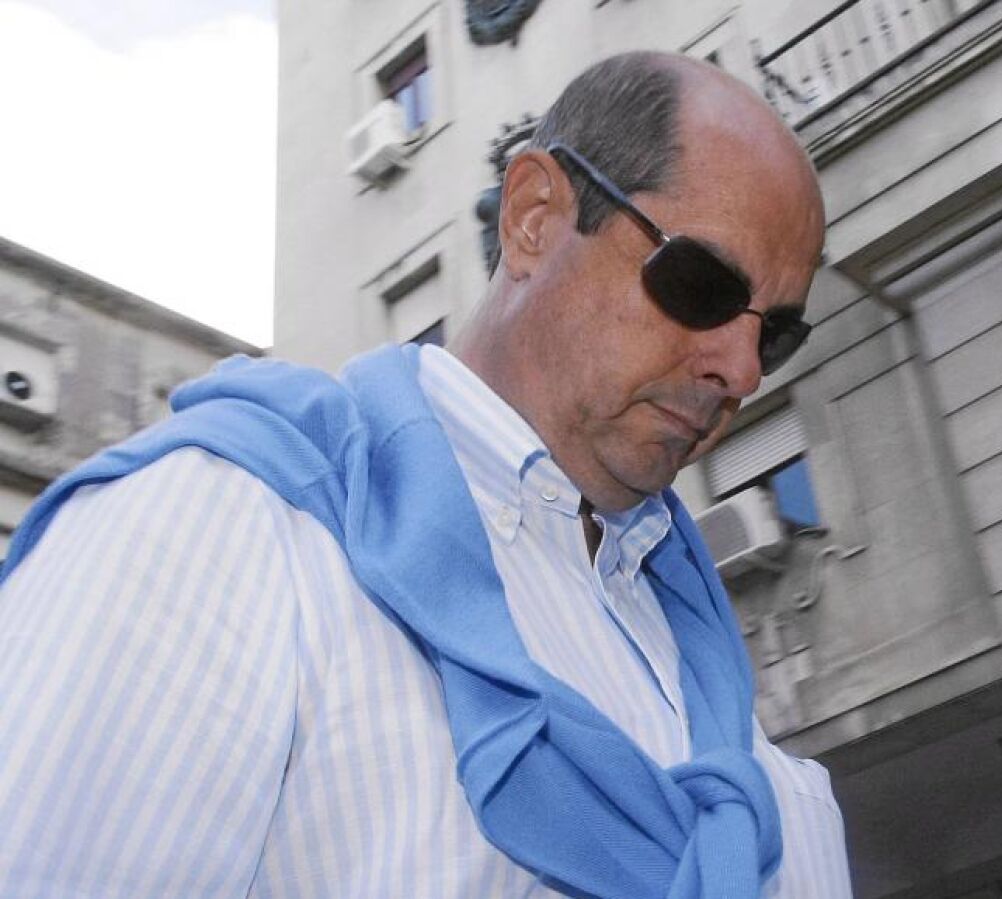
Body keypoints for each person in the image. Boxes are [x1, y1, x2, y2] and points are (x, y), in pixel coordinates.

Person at [0, 52, 851, 898]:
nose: (742, 369)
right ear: (533, 218)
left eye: (775, 334)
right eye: (703, 284)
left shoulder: (718, 702)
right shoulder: (223, 526)